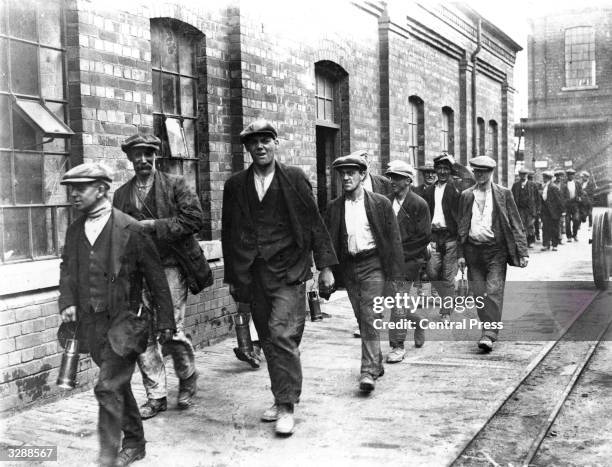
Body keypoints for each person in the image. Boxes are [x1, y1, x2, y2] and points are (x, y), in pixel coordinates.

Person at [221, 119, 337, 436]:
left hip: (289, 271)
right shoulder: (235, 186)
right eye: (253, 142)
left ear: (275, 143)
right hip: (252, 274)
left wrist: (325, 267)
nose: (260, 146)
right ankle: (279, 395)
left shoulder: (295, 179)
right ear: (247, 148)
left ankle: (286, 405)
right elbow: (228, 234)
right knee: (270, 339)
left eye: (265, 140)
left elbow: (314, 224)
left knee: (282, 334)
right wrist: (233, 277)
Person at [58, 163, 175, 467]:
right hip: (92, 324)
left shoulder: (131, 229)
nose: (74, 195)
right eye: (72, 189)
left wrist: (166, 322)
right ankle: (135, 442)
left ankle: (107, 455)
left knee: (106, 386)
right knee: (117, 384)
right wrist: (67, 301)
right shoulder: (74, 230)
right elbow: (67, 270)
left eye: (80, 188)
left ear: (101, 189)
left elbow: (156, 278)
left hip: (127, 323)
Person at [113, 134, 208, 419]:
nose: (142, 160)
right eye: (136, 155)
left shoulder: (175, 185)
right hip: (138, 274)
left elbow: (194, 219)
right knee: (142, 334)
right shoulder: (121, 195)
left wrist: (155, 225)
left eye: (147, 154)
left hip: (170, 268)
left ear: (156, 155)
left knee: (173, 331)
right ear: (129, 158)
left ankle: (187, 378)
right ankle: (156, 396)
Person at [325, 154, 404, 392]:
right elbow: (327, 240)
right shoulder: (334, 208)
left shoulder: (380, 203)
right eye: (343, 174)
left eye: (351, 173)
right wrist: (326, 269)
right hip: (349, 266)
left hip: (373, 263)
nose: (346, 177)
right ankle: (376, 363)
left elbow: (394, 240)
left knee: (369, 315)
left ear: (362, 175)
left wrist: (396, 276)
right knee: (361, 316)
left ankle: (368, 371)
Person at [456, 156, 529, 352]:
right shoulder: (466, 195)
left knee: (494, 290)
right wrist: (460, 254)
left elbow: (515, 222)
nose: (480, 175)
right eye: (476, 171)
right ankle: (487, 328)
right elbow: (461, 226)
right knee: (480, 294)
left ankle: (489, 333)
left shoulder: (503, 194)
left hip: (496, 251)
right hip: (472, 251)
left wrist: (522, 251)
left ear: (491, 173)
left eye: (484, 172)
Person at [384, 160, 430, 363]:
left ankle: (397, 346)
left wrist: (400, 255)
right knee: (391, 300)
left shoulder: (419, 204)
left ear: (408, 180)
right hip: (386, 262)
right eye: (391, 177)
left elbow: (423, 237)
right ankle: (417, 321)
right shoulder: (385, 201)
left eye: (397, 177)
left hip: (409, 261)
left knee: (398, 303)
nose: (392, 181)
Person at [421, 154, 461, 320]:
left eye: (446, 169)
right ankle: (448, 298)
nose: (442, 172)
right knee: (432, 272)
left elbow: (461, 217)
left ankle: (445, 312)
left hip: (450, 237)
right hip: (433, 237)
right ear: (436, 170)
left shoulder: (456, 190)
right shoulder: (428, 191)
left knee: (448, 276)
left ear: (450, 171)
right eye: (440, 168)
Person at [511, 168, 538, 248]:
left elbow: (537, 198)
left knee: (530, 225)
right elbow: (512, 197)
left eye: (525, 174)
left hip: (530, 209)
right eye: (521, 174)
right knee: (521, 225)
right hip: (519, 209)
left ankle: (531, 241)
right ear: (519, 175)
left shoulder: (532, 185)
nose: (523, 176)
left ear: (527, 175)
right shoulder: (515, 185)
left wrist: (537, 210)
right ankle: (523, 241)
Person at [540, 171, 564, 251]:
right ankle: (546, 244)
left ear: (549, 178)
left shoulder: (553, 187)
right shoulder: (544, 187)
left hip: (554, 212)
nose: (543, 179)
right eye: (544, 177)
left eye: (545, 178)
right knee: (545, 228)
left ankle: (554, 245)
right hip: (545, 211)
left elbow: (559, 200)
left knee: (554, 228)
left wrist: (561, 211)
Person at [563, 168, 583, 241]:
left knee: (576, 219)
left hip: (575, 204)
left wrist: (580, 198)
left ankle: (575, 234)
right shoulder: (564, 183)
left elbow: (581, 192)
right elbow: (562, 194)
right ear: (567, 175)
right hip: (567, 205)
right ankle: (569, 236)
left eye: (572, 175)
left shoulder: (577, 183)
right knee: (567, 222)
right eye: (569, 175)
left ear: (574, 175)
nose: (571, 176)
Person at [528, 171, 542, 242]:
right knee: (531, 223)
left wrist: (538, 208)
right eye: (529, 177)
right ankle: (532, 236)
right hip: (528, 208)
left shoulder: (536, 185)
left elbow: (538, 198)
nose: (531, 178)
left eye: (531, 177)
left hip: (534, 207)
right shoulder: (526, 185)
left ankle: (537, 234)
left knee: (535, 222)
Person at [553, 169, 567, 244]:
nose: (558, 178)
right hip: (554, 207)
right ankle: (556, 237)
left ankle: (560, 238)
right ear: (555, 177)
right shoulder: (552, 184)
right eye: (557, 176)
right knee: (555, 223)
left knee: (561, 223)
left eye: (560, 176)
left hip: (562, 207)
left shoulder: (564, 186)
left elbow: (566, 196)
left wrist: (564, 206)